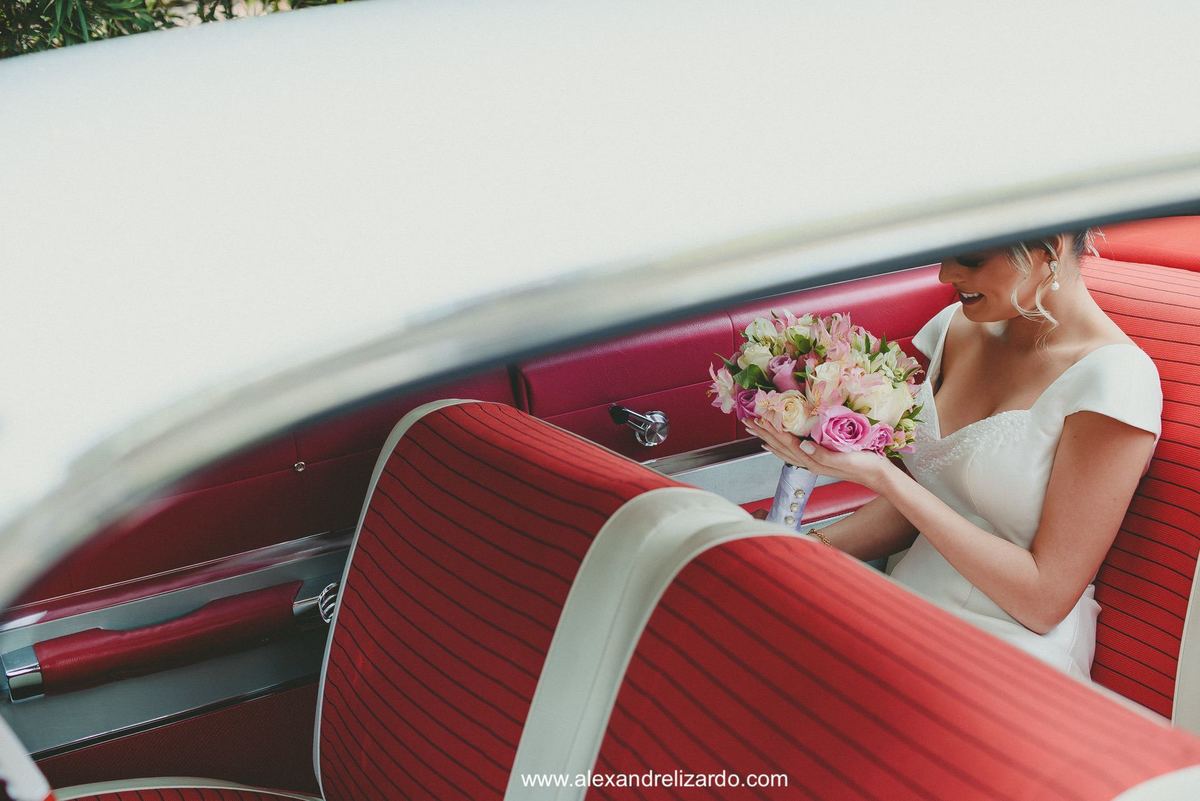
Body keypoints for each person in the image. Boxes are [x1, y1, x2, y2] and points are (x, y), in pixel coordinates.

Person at [747, 231, 1163, 680]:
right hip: (905, 604)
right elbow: (924, 500)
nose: (947, 274)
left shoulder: (1114, 382)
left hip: (1010, 650)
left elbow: (1044, 601)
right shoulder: (958, 328)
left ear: (1050, 248)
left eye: (970, 258)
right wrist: (806, 548)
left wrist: (885, 478)